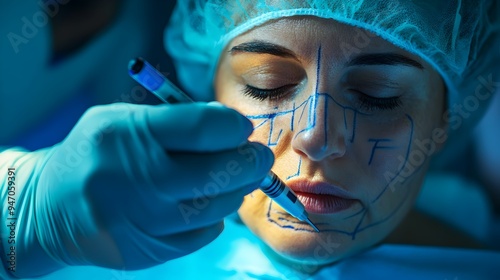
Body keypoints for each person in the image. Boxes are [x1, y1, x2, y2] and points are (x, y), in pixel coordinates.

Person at [1, 0, 500, 279]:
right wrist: (17, 215)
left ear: (444, 121)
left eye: (379, 95)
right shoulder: (101, 247)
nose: (314, 137)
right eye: (268, 85)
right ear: (208, 91)